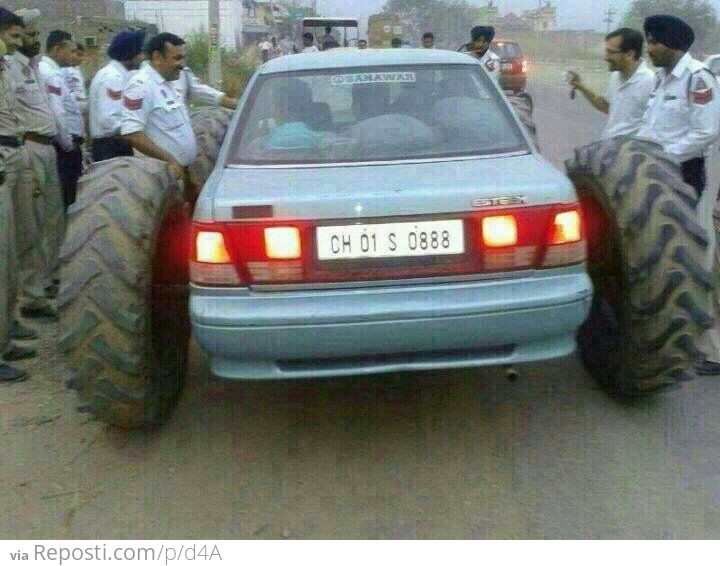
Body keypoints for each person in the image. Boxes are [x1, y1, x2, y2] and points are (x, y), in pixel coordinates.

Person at [634, 16, 720, 375]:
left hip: (682, 174)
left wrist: (663, 157)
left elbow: (705, 132)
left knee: (682, 253)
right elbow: (649, 127)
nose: (649, 49)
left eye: (654, 43)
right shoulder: (661, 79)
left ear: (673, 45)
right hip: (653, 171)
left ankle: (701, 342)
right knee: (653, 250)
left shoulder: (697, 78)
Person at [9, 8, 60, 321]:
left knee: (51, 221)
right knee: (31, 226)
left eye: (36, 34)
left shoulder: (34, 66)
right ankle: (31, 296)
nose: (34, 40)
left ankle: (44, 283)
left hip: (47, 148)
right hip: (28, 147)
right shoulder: (12, 67)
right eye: (28, 35)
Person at [0, 12, 36, 382]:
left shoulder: (6, 64)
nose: (18, 40)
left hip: (12, 153)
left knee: (10, 256)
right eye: (13, 34)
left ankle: (5, 335)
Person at [121, 33, 197, 189]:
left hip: (179, 173)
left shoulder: (168, 84)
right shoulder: (141, 86)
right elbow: (132, 134)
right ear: (157, 57)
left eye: (183, 58)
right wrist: (170, 160)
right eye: (177, 58)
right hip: (161, 177)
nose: (183, 64)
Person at [569, 28, 655, 139]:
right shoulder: (616, 75)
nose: (605, 57)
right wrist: (581, 87)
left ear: (629, 54)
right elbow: (607, 106)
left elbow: (654, 127)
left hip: (628, 152)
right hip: (609, 146)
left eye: (610, 52)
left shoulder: (649, 82)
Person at [39, 30, 84, 210]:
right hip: (64, 148)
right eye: (71, 50)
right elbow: (57, 112)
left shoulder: (54, 72)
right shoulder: (51, 75)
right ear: (57, 49)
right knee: (67, 199)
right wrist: (67, 143)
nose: (74, 55)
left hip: (65, 145)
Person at [88, 29, 145, 162]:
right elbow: (110, 121)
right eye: (139, 53)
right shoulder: (113, 77)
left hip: (115, 144)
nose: (142, 58)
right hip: (111, 148)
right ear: (130, 54)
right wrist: (136, 130)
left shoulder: (117, 75)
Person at [64, 42, 88, 115]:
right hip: (70, 111)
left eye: (82, 56)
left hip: (80, 111)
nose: (81, 59)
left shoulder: (77, 69)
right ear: (71, 53)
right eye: (79, 55)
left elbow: (78, 88)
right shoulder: (64, 69)